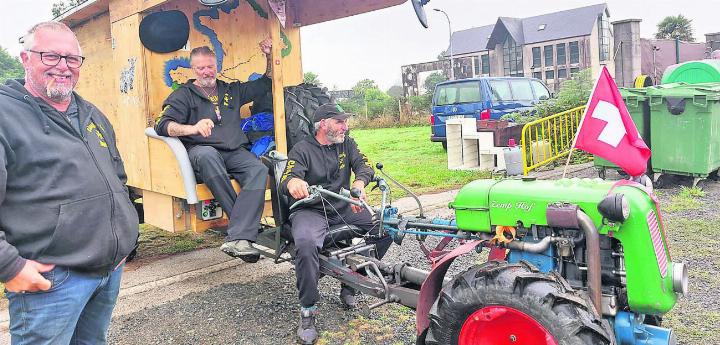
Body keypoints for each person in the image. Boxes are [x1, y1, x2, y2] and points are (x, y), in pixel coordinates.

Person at [0, 21, 139, 344]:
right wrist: (9, 265)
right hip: (53, 280)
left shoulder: (91, 113)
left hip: (108, 271)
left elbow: (117, 178)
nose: (63, 67)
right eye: (51, 56)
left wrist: (124, 236)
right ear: (25, 58)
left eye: (72, 59)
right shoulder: (6, 115)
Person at [279, 103, 392, 344]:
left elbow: (364, 165)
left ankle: (352, 280)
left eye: (346, 121)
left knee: (386, 226)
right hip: (311, 210)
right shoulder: (301, 149)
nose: (345, 126)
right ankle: (308, 311)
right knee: (307, 245)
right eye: (340, 121)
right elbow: (288, 177)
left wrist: (359, 185)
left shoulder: (347, 143)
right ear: (323, 124)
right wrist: (293, 184)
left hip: (342, 206)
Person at [154, 41, 273, 262]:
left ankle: (238, 238)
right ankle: (243, 234)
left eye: (210, 66)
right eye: (201, 68)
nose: (206, 71)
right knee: (208, 156)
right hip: (202, 152)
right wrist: (193, 128)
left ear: (216, 65)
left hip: (234, 151)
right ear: (193, 70)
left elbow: (265, 83)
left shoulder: (231, 90)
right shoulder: (183, 95)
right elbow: (163, 125)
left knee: (258, 169)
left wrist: (269, 55)